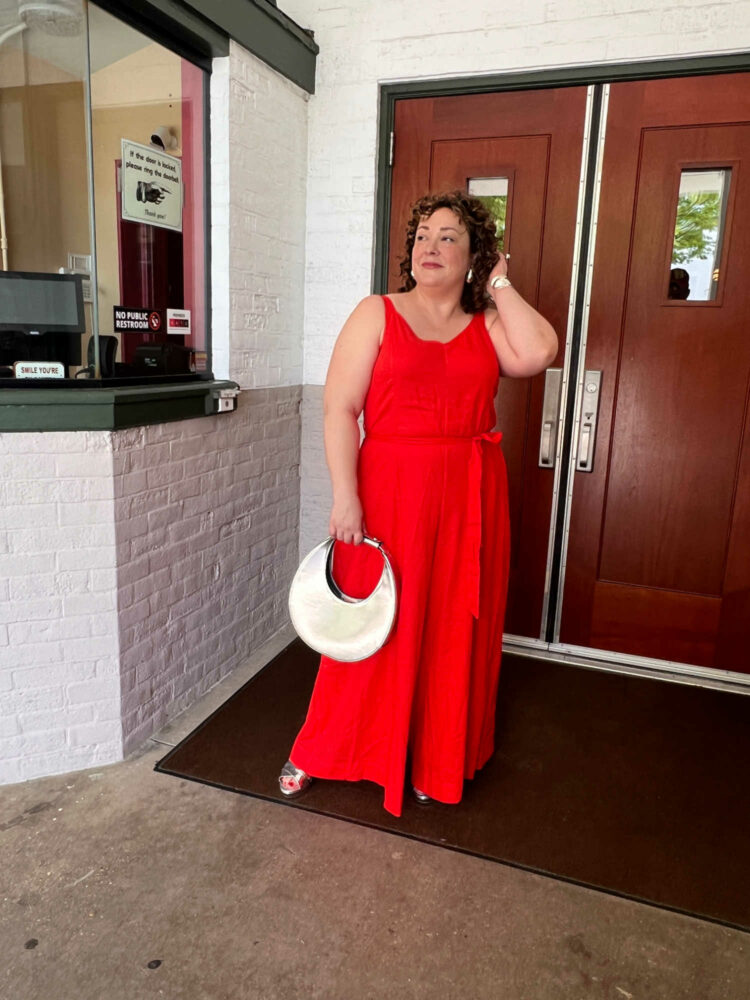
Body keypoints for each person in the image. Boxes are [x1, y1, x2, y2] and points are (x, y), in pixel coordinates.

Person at [279, 190, 558, 817]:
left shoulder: (487, 325)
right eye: (423, 235)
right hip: (388, 491)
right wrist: (345, 497)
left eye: (450, 237)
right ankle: (323, 747)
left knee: (453, 624)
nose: (431, 246)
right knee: (368, 624)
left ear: (475, 256)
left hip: (469, 496)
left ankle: (438, 757)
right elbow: (339, 409)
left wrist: (501, 286)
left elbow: (540, 352)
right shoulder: (376, 312)